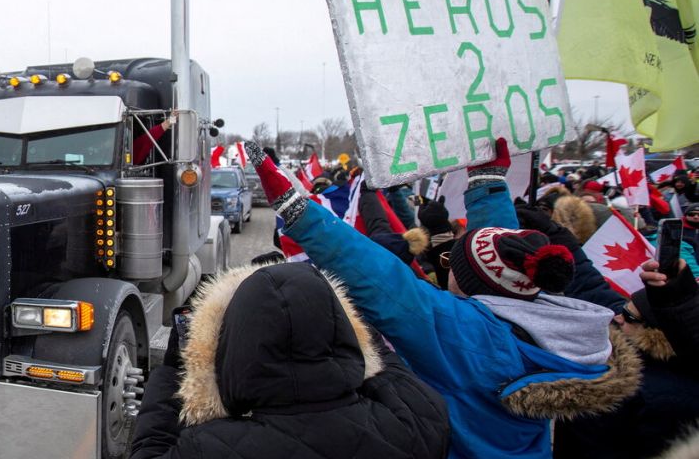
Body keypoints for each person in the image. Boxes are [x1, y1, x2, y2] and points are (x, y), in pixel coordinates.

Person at [243, 139, 641, 458]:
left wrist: (299, 211)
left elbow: (381, 280)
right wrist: (488, 182)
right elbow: (496, 253)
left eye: (456, 265)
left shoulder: (469, 336)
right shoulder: (549, 321)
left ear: (468, 283)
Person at [130, 262, 449, 459]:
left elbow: (150, 449)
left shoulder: (207, 446)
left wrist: (174, 369)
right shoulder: (417, 421)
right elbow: (384, 363)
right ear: (340, 328)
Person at [554, 257, 699, 458]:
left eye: (628, 316)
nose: (617, 317)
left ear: (652, 333)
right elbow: (590, 285)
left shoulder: (621, 388)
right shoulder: (685, 368)